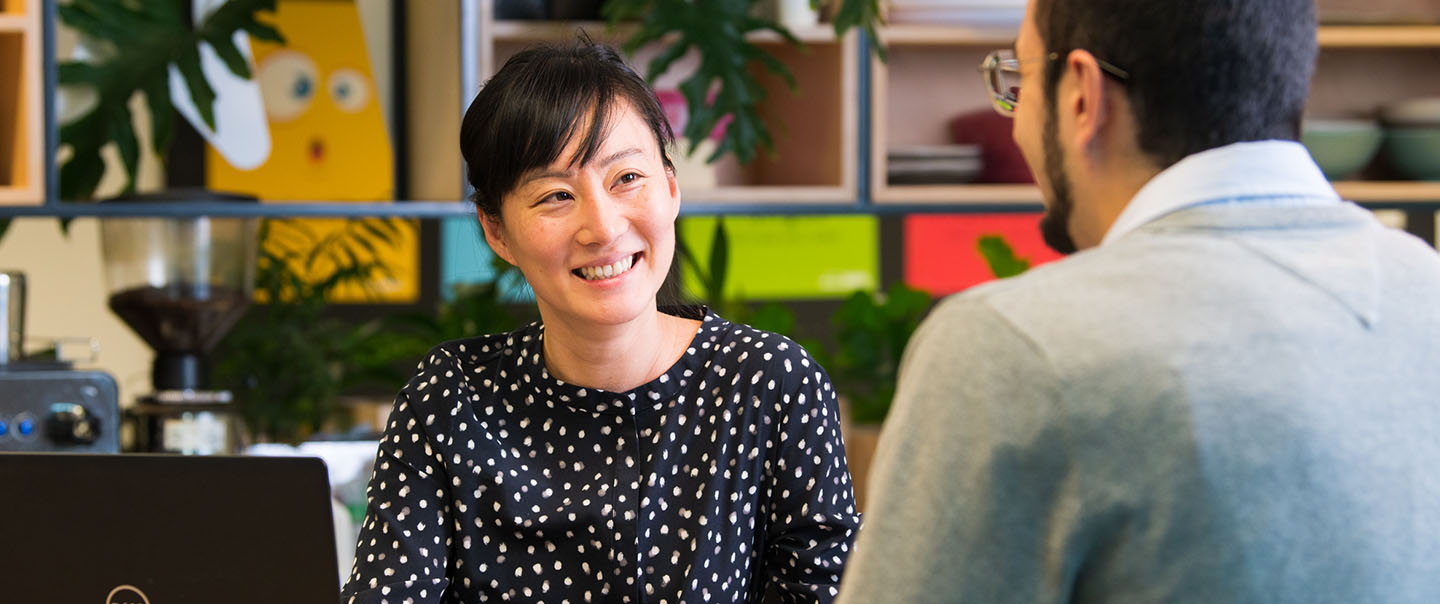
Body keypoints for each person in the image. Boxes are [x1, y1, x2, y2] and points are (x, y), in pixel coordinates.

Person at [837, 0, 1440, 602]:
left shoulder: (1015, 346)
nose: (1017, 124)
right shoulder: (1427, 290)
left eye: (1019, 82)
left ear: (1081, 95)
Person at [341, 42, 858, 603]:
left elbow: (829, 592)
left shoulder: (769, 384)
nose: (603, 227)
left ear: (672, 185)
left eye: (627, 178)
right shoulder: (452, 400)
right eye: (556, 195)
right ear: (496, 231)